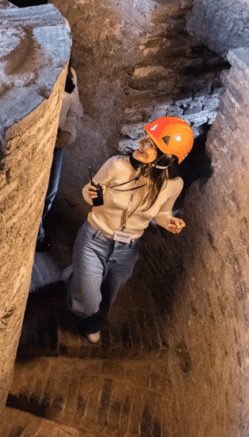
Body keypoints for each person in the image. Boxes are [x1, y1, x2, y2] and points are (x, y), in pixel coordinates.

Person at [65, 116, 194, 343]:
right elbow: (90, 190)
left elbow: (162, 214)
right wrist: (91, 194)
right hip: (94, 237)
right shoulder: (117, 165)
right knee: (89, 300)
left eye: (153, 145)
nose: (143, 145)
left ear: (168, 159)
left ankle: (91, 316)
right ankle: (81, 299)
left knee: (108, 296)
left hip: (128, 248)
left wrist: (168, 222)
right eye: (146, 138)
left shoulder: (174, 185)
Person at [36, 66, 83, 251]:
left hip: (55, 141)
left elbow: (74, 108)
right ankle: (36, 236)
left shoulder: (70, 72)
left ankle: (36, 233)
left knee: (49, 192)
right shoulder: (39, 70)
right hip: (37, 141)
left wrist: (67, 131)